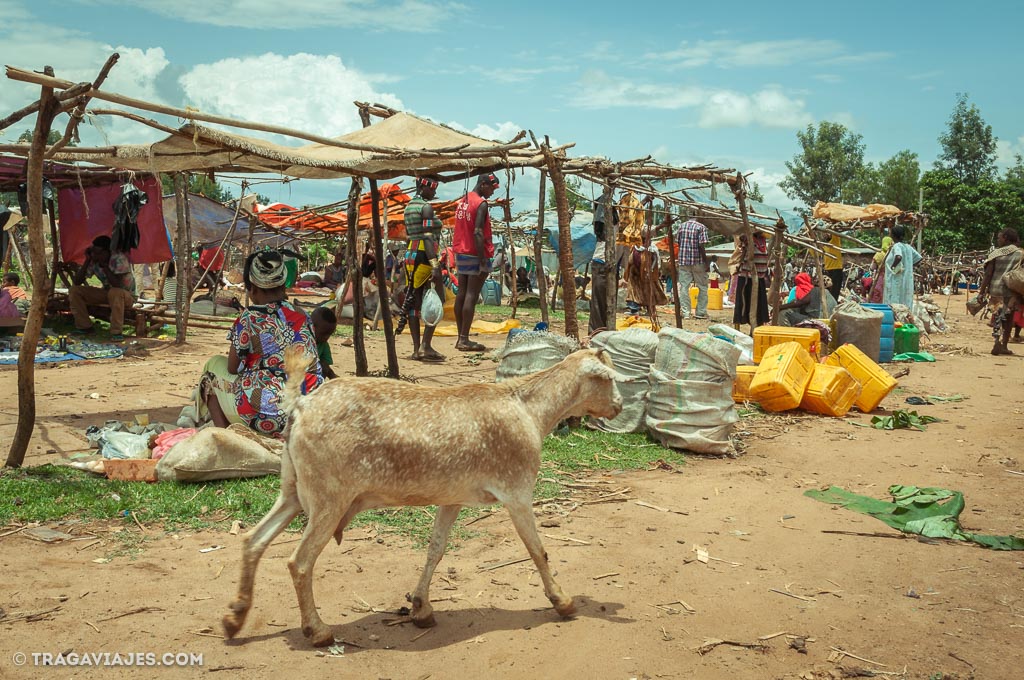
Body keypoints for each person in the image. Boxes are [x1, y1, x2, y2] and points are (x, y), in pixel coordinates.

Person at [198, 250, 323, 435]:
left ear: (252, 288)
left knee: (210, 372)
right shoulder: (302, 315)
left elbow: (233, 368)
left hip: (267, 415)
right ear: (283, 285)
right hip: (308, 410)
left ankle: (226, 439)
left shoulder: (249, 317)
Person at [397, 177, 446, 362]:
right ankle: (426, 345)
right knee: (438, 298)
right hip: (424, 255)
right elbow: (427, 237)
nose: (434, 193)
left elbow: (412, 236)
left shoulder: (409, 207)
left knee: (414, 302)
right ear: (424, 187)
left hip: (410, 254)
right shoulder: (426, 207)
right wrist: (435, 264)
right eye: (433, 190)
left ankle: (417, 348)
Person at [452, 173, 499, 351]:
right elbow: (478, 232)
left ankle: (460, 337)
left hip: (461, 252)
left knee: (462, 294)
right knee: (472, 294)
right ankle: (464, 338)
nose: (492, 193)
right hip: (475, 252)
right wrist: (481, 259)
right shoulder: (481, 204)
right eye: (491, 188)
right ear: (483, 184)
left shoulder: (463, 201)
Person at [67, 235, 136, 341]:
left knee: (115, 292)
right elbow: (77, 281)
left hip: (125, 296)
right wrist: (87, 261)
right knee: (74, 290)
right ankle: (85, 327)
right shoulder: (94, 260)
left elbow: (117, 285)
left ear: (107, 252)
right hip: (108, 293)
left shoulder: (119, 259)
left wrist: (105, 267)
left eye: (98, 253)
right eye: (93, 252)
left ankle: (116, 332)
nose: (95, 255)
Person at [978, 228, 1023, 356]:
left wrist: (981, 292)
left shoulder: (995, 254)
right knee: (1008, 318)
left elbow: (988, 274)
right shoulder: (1020, 254)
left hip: (995, 288)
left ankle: (997, 339)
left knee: (997, 315)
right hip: (1011, 290)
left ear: (1006, 239)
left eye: (1000, 238)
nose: (998, 240)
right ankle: (1004, 345)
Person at [675, 215, 710, 320]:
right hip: (697, 261)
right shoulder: (701, 227)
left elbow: (679, 243)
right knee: (702, 287)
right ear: (698, 217)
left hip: (684, 261)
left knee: (684, 287)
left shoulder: (681, 226)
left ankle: (686, 313)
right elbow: (701, 245)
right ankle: (700, 312)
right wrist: (706, 261)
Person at [733, 230, 769, 329]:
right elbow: (741, 238)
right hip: (747, 277)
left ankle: (754, 329)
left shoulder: (764, 240)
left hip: (759, 277)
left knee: (758, 306)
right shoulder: (748, 238)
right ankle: (738, 328)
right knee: (744, 303)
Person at [881, 224, 922, 310]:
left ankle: (895, 319)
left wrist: (893, 267)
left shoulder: (896, 246)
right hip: (907, 278)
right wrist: (909, 266)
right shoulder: (908, 247)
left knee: (894, 300)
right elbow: (918, 258)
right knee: (905, 300)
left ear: (893, 235)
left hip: (896, 279)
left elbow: (898, 256)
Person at [311, 306, 339, 379]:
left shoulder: (323, 344)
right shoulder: (300, 341)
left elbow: (325, 364)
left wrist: (333, 377)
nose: (327, 337)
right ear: (311, 326)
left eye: (330, 334)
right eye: (324, 333)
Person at [868, 230, 893, 303]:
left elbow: (872, 267)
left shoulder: (878, 254)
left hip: (880, 278)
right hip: (891, 278)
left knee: (877, 295)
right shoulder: (893, 253)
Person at [822, 232, 845, 301]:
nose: (826, 234)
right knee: (827, 290)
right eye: (825, 233)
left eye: (828, 233)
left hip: (836, 269)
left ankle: (833, 304)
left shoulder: (835, 242)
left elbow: (835, 232)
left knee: (834, 291)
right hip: (827, 270)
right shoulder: (824, 247)